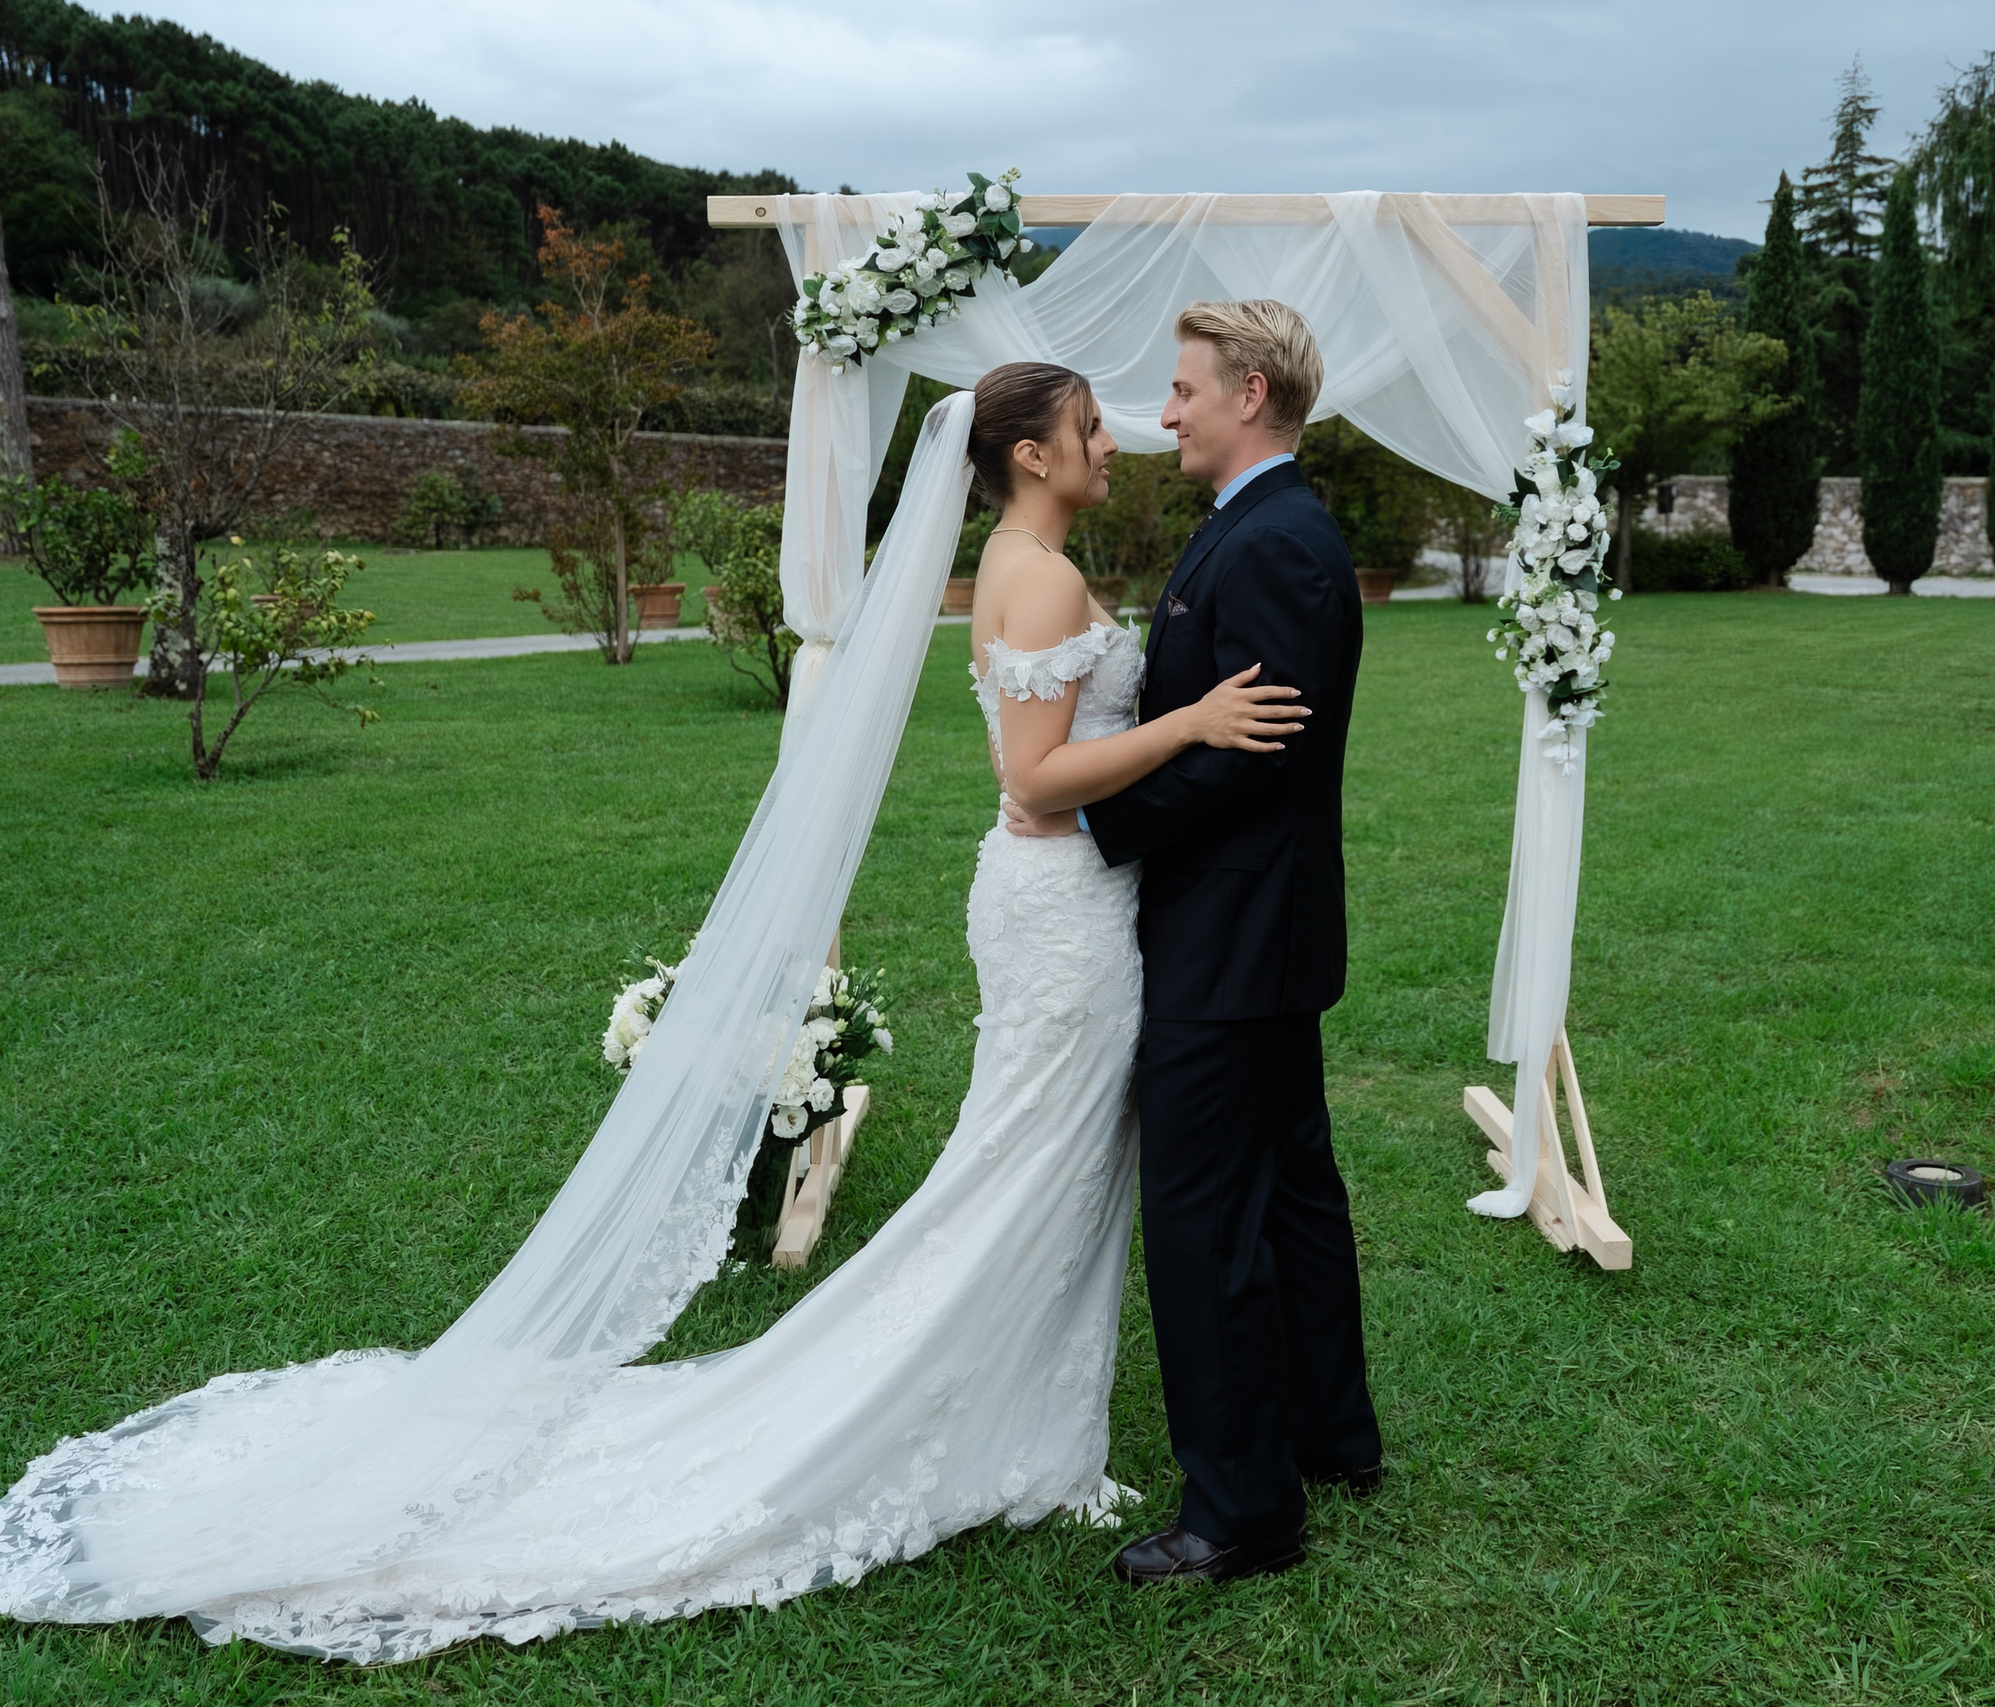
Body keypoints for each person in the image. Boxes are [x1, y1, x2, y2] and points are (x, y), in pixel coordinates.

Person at [0, 361, 1309, 1663]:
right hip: (1059, 904)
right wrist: (1194, 717)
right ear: (1030, 454)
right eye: (1089, 427)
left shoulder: (1034, 565)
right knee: (1027, 1163)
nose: (1111, 443)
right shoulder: (1039, 575)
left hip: (1070, 907)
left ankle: (1029, 1423)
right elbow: (1033, 783)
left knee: (1050, 1165)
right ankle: (963, 1413)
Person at [1008, 299, 1383, 1585]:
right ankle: (1332, 1434)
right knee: (1289, 1189)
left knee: (1206, 1212)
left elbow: (1250, 760)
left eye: (1180, 389)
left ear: (1253, 394)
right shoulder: (1258, 528)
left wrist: (1085, 812)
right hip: (1257, 930)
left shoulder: (1275, 542)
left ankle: (1240, 1511)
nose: (1160, 412)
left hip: (1231, 935)